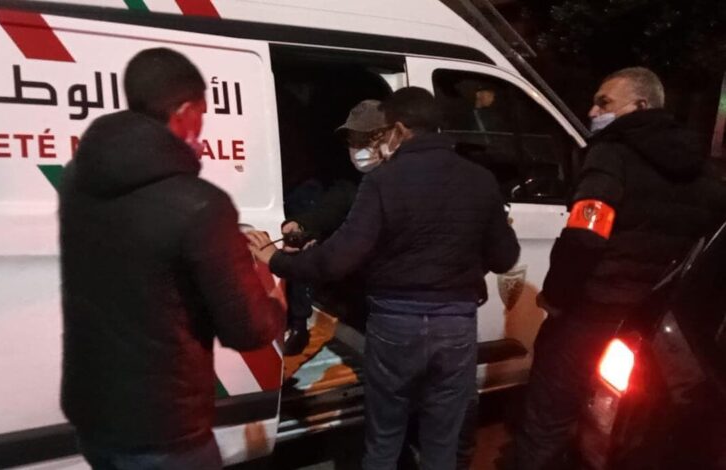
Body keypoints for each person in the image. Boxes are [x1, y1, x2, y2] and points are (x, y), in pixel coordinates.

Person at [248, 87, 520, 470]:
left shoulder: (383, 182)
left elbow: (336, 260)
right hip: (456, 323)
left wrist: (276, 259)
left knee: (384, 439)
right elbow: (505, 256)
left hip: (396, 324)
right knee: (442, 440)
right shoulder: (480, 180)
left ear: (399, 129)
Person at [58, 48, 285, 470]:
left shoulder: (76, 179)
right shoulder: (200, 205)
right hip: (165, 431)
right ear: (184, 112)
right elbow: (248, 330)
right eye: (202, 113)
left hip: (94, 419)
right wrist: (276, 298)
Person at [512, 67, 726, 469]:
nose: (593, 112)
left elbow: (585, 236)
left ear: (641, 105)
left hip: (592, 313)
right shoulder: (704, 172)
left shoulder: (611, 155)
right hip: (656, 327)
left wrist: (556, 297)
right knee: (620, 431)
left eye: (604, 102)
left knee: (548, 418)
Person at [281, 99, 390, 355]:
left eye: (365, 139)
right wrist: (304, 224)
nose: (357, 148)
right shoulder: (354, 181)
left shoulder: (405, 179)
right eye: (353, 140)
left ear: (388, 136)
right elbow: (333, 206)